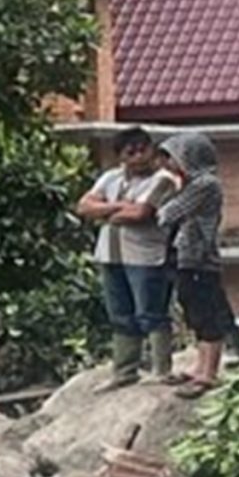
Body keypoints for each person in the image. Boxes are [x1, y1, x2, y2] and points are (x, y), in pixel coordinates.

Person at [74, 129, 180, 386]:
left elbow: (141, 214)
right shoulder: (111, 177)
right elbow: (83, 206)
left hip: (146, 255)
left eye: (143, 149)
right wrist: (118, 207)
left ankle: (161, 369)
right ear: (120, 156)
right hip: (111, 255)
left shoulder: (164, 179)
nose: (139, 157)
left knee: (151, 312)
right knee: (120, 314)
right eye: (130, 152)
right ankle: (124, 371)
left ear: (152, 150)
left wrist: (105, 212)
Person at [151, 130, 232, 393]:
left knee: (206, 311)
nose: (167, 164)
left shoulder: (204, 184)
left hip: (200, 258)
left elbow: (167, 214)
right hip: (186, 257)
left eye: (172, 157)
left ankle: (208, 373)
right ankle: (200, 366)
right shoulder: (190, 184)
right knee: (192, 311)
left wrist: (161, 199)